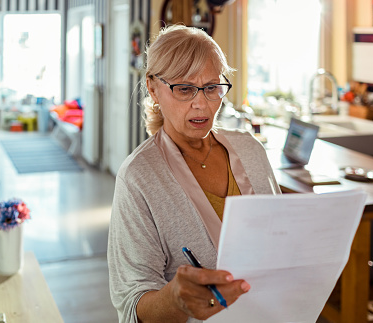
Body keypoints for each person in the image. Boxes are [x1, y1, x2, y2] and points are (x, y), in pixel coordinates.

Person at [107, 25, 281, 323]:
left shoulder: (250, 150)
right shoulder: (139, 177)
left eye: (212, 88)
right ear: (153, 87)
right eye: (184, 89)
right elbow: (132, 304)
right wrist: (175, 300)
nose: (201, 104)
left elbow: (281, 237)